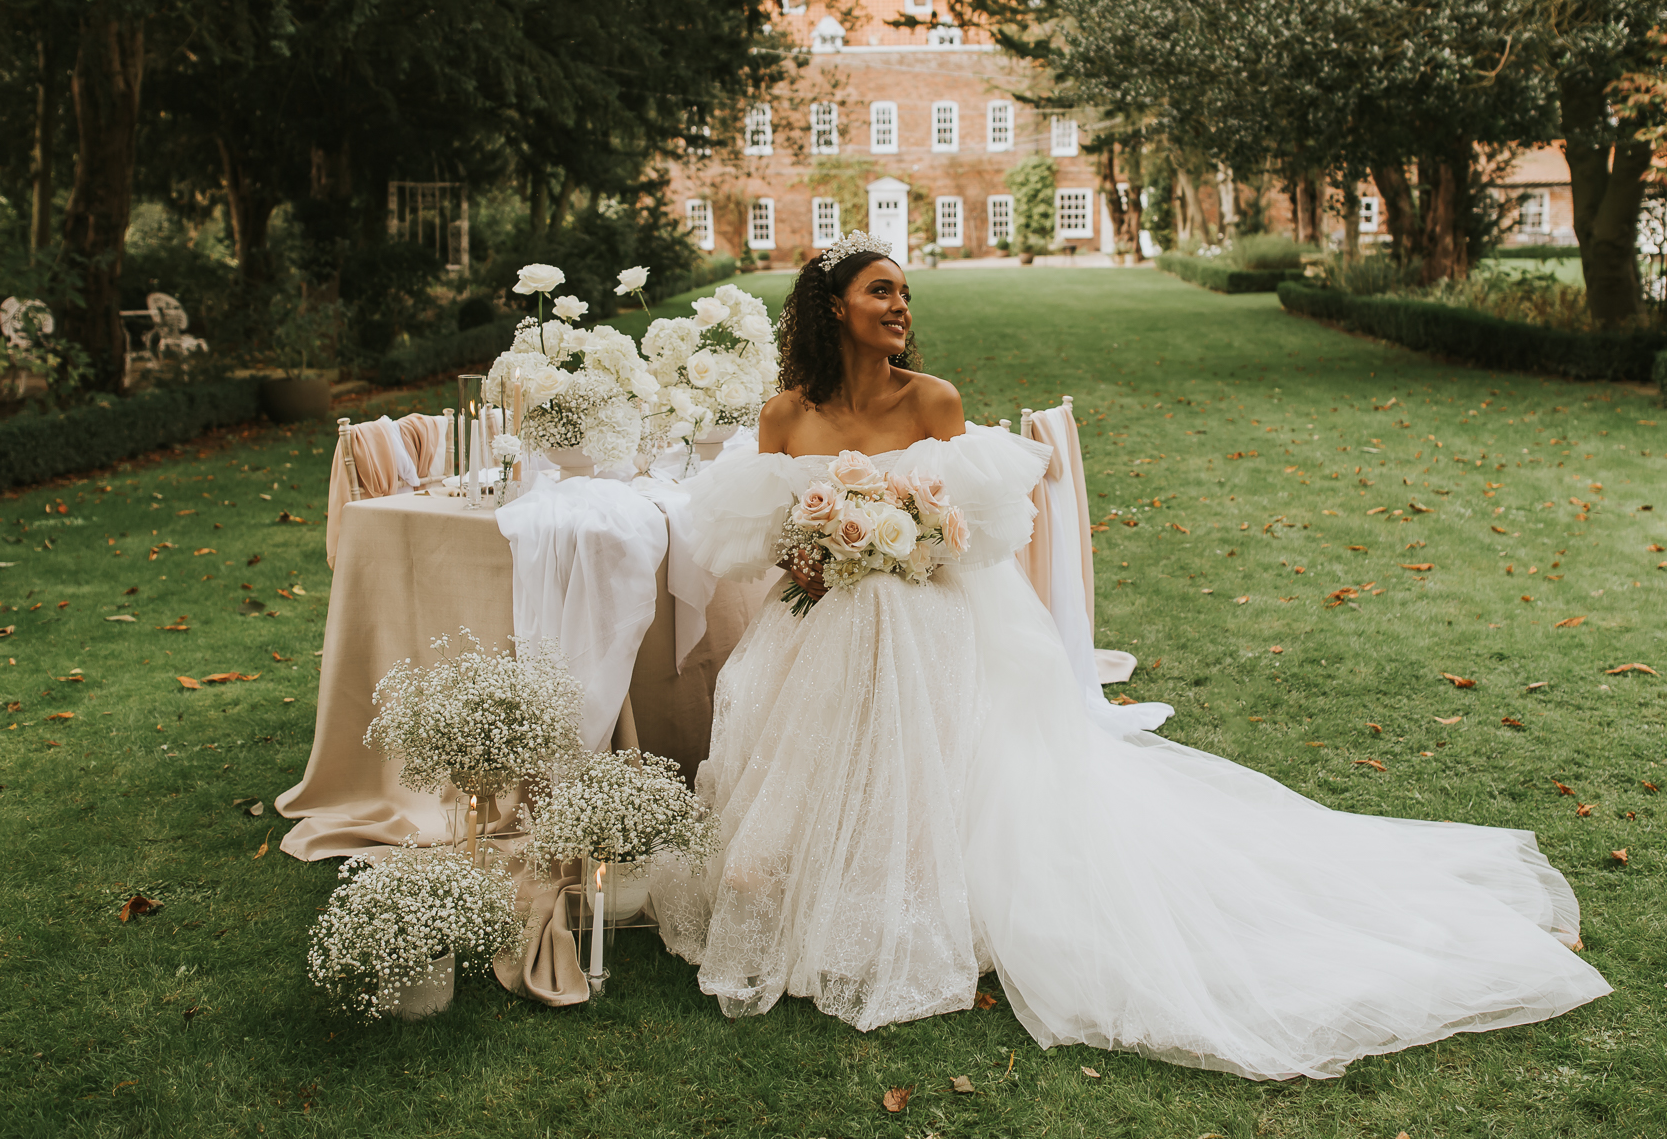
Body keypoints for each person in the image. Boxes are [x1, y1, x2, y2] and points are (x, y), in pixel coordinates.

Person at [647, 232, 1609, 1079]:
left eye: (905, 294)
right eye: (881, 293)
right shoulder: (785, 416)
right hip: (819, 619)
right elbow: (765, 535)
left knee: (930, 779)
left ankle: (908, 907)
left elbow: (977, 531)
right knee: (794, 785)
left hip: (926, 621)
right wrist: (830, 540)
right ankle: (809, 896)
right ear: (833, 309)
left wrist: (905, 532)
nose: (901, 308)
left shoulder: (933, 401)